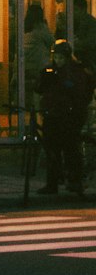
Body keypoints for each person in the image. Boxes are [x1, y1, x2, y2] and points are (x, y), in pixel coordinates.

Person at [37, 39, 94, 196]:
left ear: (67, 57)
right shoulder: (52, 71)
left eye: (61, 58)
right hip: (55, 114)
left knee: (69, 148)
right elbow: (41, 89)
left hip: (69, 115)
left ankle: (72, 181)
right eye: (56, 58)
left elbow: (78, 94)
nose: (58, 61)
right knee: (53, 149)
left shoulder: (76, 72)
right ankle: (54, 183)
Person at [23, 3, 54, 106]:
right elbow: (52, 41)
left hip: (24, 67)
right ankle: (40, 108)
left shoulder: (24, 27)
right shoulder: (41, 28)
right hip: (39, 66)